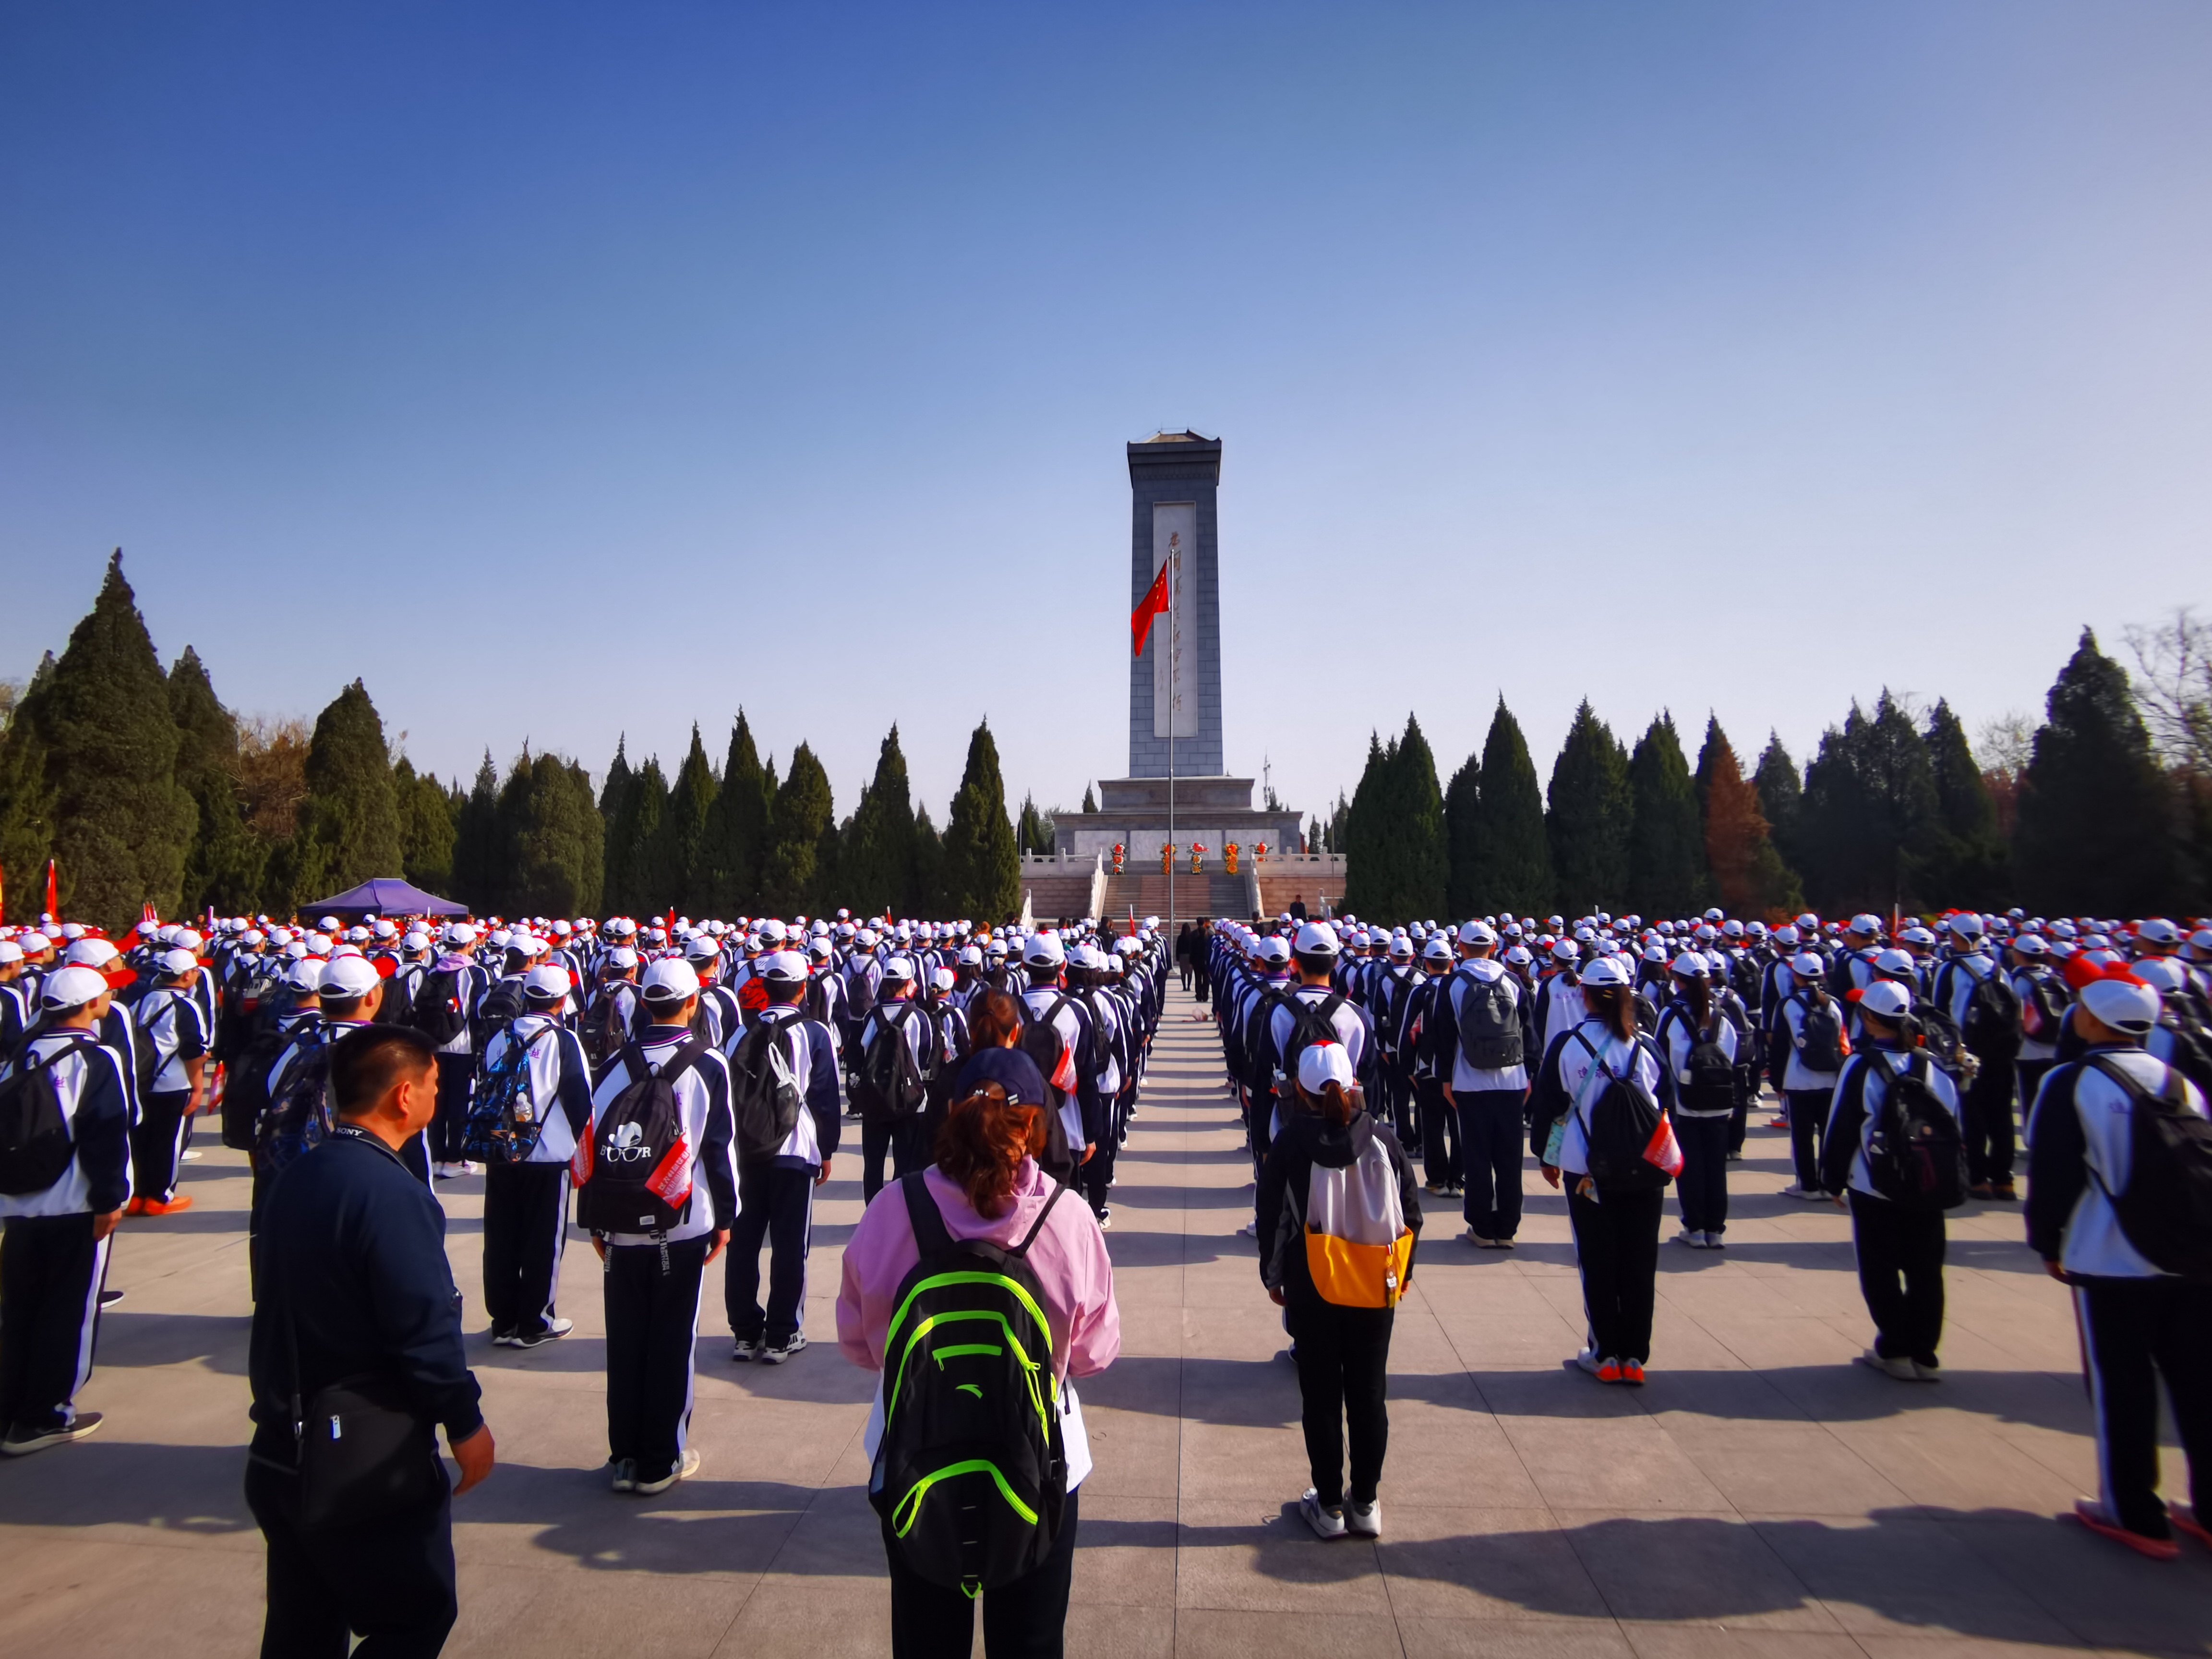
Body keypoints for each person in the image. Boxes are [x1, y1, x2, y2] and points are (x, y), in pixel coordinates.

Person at [837, 1047, 1118, 1657]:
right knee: (1031, 1640)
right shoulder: (1067, 1217)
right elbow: (1095, 1354)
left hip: (914, 1454)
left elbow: (859, 1345)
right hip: (1041, 1460)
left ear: (951, 1114)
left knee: (927, 1640)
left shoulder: (893, 1208)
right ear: (1036, 1127)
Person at [245, 1023, 495, 1658]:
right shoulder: (389, 1193)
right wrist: (464, 1422)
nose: (440, 1093)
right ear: (404, 1096)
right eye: (433, 1083)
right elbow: (424, 1327)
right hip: (357, 1454)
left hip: (283, 1442)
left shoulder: (299, 1174)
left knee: (303, 1626)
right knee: (414, 1617)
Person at [2026, 965, 2212, 1560]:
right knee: (2198, 1381)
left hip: (2111, 1256)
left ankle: (2135, 1512)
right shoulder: (2181, 1083)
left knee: (2122, 1386)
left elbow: (2054, 1174)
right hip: (2192, 1254)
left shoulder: (2071, 1081)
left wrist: (2048, 1243)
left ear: (2092, 1020)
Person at [581, 957, 737, 1493]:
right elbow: (720, 1151)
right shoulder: (709, 1064)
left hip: (619, 1222)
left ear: (644, 1003)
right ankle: (660, 1459)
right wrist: (726, 1218)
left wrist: (593, 1218)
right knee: (673, 1339)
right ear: (693, 1002)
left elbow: (592, 1142)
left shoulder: (613, 1065)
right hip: (683, 1222)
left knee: (626, 1340)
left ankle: (625, 1456)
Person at [1257, 1040, 1420, 1540]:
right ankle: (1366, 1503)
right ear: (1353, 1086)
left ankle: (1328, 1506)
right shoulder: (1384, 1139)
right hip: (1375, 1282)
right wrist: (1402, 1274)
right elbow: (1411, 1214)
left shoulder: (1290, 1144)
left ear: (1299, 1090)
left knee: (1322, 1395)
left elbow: (1273, 1219)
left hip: (1314, 1281)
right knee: (1370, 1394)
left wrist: (1274, 1277)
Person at [0, 964, 131, 1455]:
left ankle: (10, 1407)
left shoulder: (20, 1054)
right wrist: (109, 1199)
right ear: (93, 1004)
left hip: (18, 1204)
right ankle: (44, 1415)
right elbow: (106, 1133)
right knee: (66, 1313)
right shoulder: (97, 1058)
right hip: (73, 1204)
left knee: (19, 1310)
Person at [1527, 956, 1673, 1385]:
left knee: (1597, 1257)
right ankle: (1634, 1356)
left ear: (1584, 995)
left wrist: (1546, 1157)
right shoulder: (1646, 1046)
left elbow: (1548, 1108)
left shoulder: (1568, 1045)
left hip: (1586, 1167)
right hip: (1645, 1167)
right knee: (1640, 1258)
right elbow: (1668, 1103)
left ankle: (1605, 1352)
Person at [1821, 979, 1961, 1381]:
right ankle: (1925, 1353)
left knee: (1880, 1269)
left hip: (1874, 1183)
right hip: (1928, 1182)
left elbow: (1842, 1127)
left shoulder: (1860, 1065)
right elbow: (1953, 1121)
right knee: (1926, 1269)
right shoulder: (1932, 1064)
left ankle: (1895, 1348)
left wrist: (1833, 1180)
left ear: (1868, 1018)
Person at [725, 950, 841, 1364]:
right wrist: (827, 1150)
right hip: (794, 1151)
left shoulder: (740, 1032)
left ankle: (744, 1333)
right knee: (791, 1246)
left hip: (747, 1151)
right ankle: (782, 1333)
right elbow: (825, 1096)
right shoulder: (814, 1033)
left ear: (765, 986)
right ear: (802, 988)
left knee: (743, 1243)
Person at [474, 963, 593, 1348]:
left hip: (501, 1150)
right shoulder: (563, 1040)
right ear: (562, 1001)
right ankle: (536, 1322)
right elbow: (580, 1101)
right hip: (547, 1156)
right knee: (544, 1240)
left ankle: (503, 1320)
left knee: (501, 1237)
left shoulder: (500, 1037)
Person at [1422, 921, 1528, 1249]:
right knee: (1509, 1159)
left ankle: (1482, 1227)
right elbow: (1529, 1032)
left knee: (1477, 1157)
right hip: (1512, 1081)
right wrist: (1530, 1077)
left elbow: (1442, 1037)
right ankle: (1507, 1229)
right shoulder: (1513, 981)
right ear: (1494, 947)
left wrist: (1445, 1080)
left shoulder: (1452, 984)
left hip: (1469, 1082)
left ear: (1461, 948)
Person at [1655, 952, 1738, 1249]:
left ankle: (1695, 1227)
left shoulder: (1671, 1014)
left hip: (1684, 1103)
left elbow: (1659, 1060)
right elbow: (1731, 1056)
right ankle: (1715, 1229)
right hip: (1719, 1102)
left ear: (1677, 980)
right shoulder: (1722, 1013)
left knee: (1690, 1167)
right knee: (1716, 1166)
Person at [130, 945, 210, 1215]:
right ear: (187, 975)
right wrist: (198, 1087)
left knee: (141, 1139)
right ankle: (160, 1197)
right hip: (174, 1083)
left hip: (141, 1081)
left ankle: (137, 1195)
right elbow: (194, 1050)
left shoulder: (141, 1000)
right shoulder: (186, 1005)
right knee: (168, 1142)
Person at [1775, 950, 1845, 1199]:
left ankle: (1807, 1185)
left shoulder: (1787, 1005)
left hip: (1799, 1080)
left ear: (1796, 976)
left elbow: (1780, 1046)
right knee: (1828, 1134)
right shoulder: (1833, 1004)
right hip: (1831, 1078)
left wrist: (1777, 1081)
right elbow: (1842, 1042)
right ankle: (1827, 1184)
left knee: (1802, 1137)